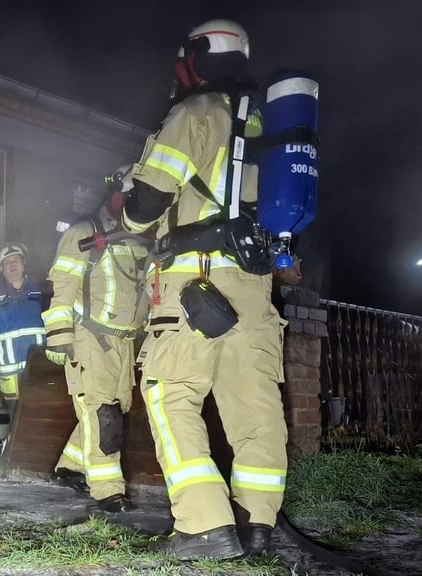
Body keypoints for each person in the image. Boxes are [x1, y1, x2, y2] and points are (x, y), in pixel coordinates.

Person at [122, 18, 289, 560]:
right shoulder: (271, 127)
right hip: (256, 288)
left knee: (170, 395)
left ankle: (205, 525)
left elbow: (142, 210)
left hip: (193, 280)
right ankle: (256, 525)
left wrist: (130, 196)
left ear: (196, 56)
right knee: (254, 407)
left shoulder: (195, 113)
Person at [41, 167, 149, 513]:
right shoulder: (83, 233)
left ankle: (70, 467)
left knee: (112, 410)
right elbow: (62, 285)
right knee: (103, 413)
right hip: (90, 336)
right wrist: (60, 336)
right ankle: (107, 490)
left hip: (123, 342)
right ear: (116, 195)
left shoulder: (136, 239)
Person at [0, 242, 47, 471]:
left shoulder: (41, 291)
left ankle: (35, 462)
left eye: (16, 261)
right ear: (1, 269)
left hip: (39, 369)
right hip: (8, 372)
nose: (12, 266)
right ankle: (7, 463)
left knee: (39, 416)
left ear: (23, 264)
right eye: (7, 263)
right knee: (12, 417)